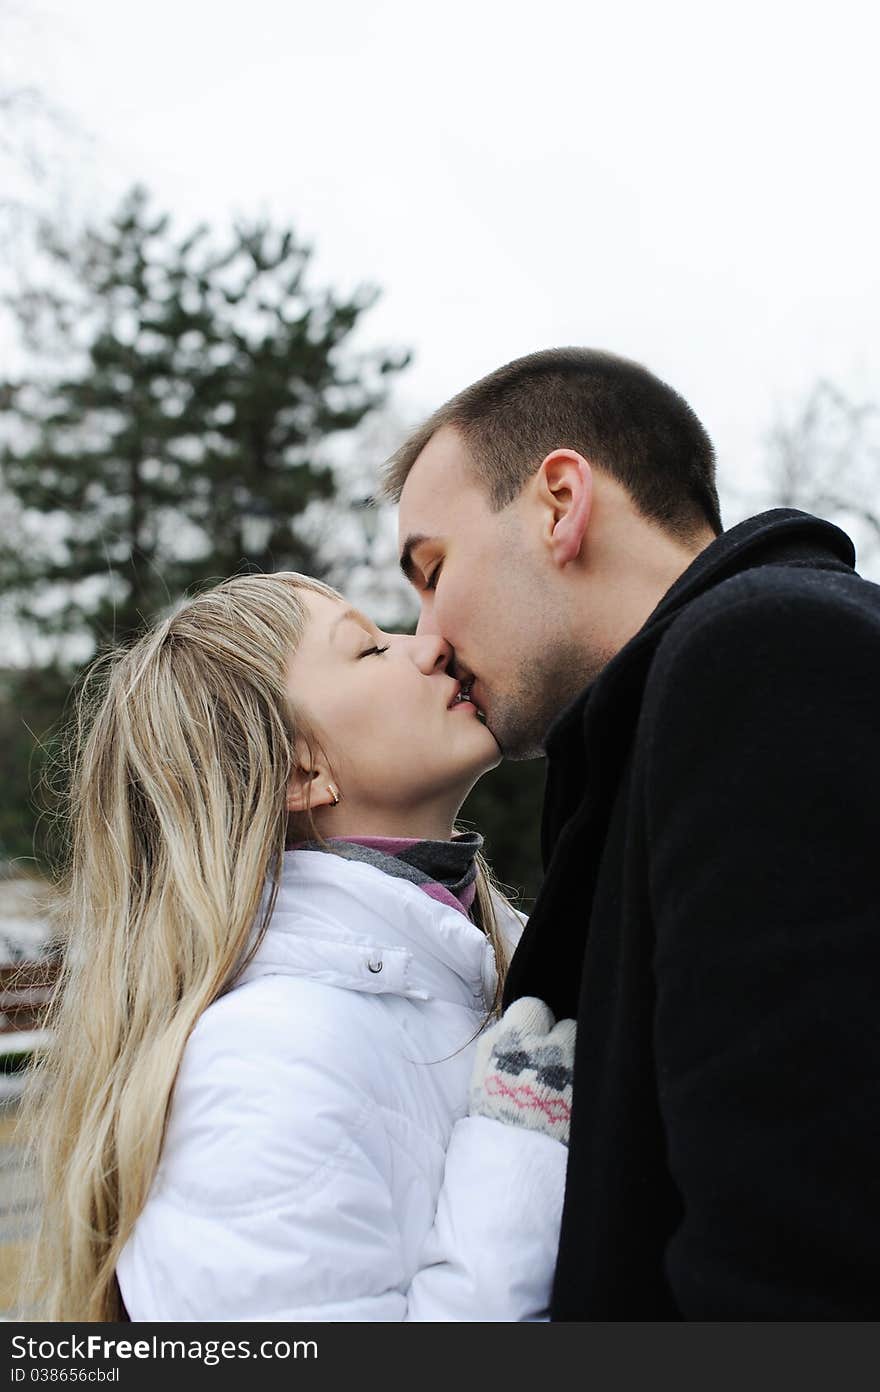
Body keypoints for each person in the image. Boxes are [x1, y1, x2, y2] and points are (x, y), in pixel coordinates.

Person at [387, 346, 880, 1319]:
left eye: (432, 570)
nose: (427, 637)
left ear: (560, 504)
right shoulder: (655, 731)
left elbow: (798, 1254)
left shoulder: (765, 658)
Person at [20, 570, 571, 1322]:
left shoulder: (490, 955)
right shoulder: (266, 1061)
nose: (429, 647)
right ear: (301, 769)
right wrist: (521, 1156)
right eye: (371, 651)